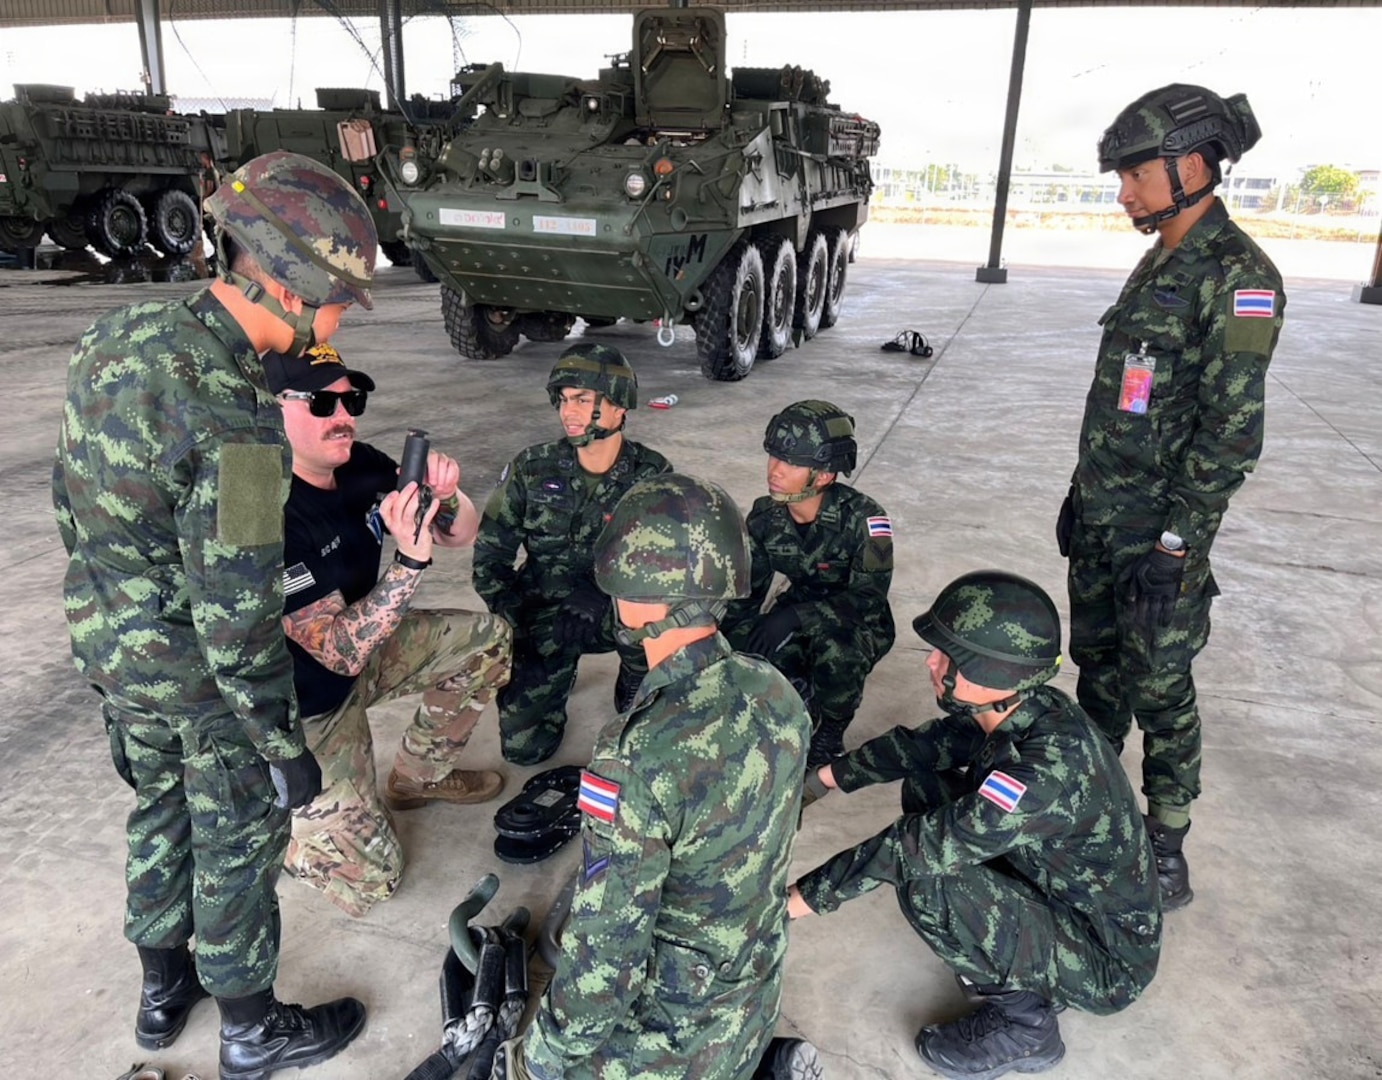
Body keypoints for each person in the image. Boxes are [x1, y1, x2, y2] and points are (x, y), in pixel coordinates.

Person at [52, 151, 377, 1080]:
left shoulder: (116, 336)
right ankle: (250, 1027)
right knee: (236, 834)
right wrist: (282, 747)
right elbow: (238, 615)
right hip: (197, 676)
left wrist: (107, 608)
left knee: (159, 811)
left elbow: (68, 499)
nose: (338, 320)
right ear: (289, 283)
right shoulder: (238, 422)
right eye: (337, 299)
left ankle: (162, 994)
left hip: (111, 647)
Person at [489, 473, 816, 1080]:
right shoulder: (773, 690)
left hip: (674, 1047)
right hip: (751, 1002)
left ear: (633, 593)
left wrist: (538, 1061)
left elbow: (606, 953)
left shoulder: (635, 758)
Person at [788, 571, 1162, 1080]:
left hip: (1106, 960)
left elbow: (913, 849)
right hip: (1067, 897)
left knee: (927, 881)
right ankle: (1032, 970)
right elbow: (928, 746)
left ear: (990, 672)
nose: (931, 662)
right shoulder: (1031, 706)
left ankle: (1027, 1029)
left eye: (947, 655)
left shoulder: (1047, 773)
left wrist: (795, 902)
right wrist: (823, 781)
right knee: (926, 786)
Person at [1059, 84, 1287, 910]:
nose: (1124, 192)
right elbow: (1132, 396)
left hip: (1161, 537)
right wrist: (1081, 493)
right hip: (1105, 516)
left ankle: (1164, 844)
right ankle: (1091, 800)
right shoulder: (1161, 255)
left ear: (1191, 165)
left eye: (1135, 176)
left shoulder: (1238, 278)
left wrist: (1178, 544)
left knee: (1161, 686)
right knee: (1099, 671)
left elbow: (1231, 433)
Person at [268, 341, 512, 919]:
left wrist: (448, 497)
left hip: (364, 651)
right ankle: (274, 832)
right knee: (371, 883)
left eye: (351, 399)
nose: (344, 416)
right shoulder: (258, 501)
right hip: (306, 703)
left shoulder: (360, 464)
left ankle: (418, 777)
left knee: (487, 640)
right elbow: (336, 652)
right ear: (272, 408)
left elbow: (461, 534)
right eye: (322, 405)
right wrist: (408, 564)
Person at [472, 343, 672, 766]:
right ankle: (551, 671)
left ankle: (637, 670)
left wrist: (603, 593)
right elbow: (491, 552)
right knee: (525, 750)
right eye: (563, 400)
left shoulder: (653, 476)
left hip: (616, 612)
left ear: (619, 407)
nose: (569, 411)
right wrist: (512, 615)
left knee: (654, 620)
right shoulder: (532, 466)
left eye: (583, 399)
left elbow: (662, 568)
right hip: (542, 612)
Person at [722, 400, 895, 769]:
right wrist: (725, 645)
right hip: (794, 608)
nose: (775, 470)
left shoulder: (866, 519)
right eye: (774, 457)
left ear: (825, 475)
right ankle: (803, 698)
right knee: (750, 658)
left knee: (837, 654)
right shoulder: (766, 516)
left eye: (792, 462)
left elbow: (869, 599)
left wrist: (796, 618)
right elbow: (746, 594)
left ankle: (831, 732)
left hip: (856, 622)